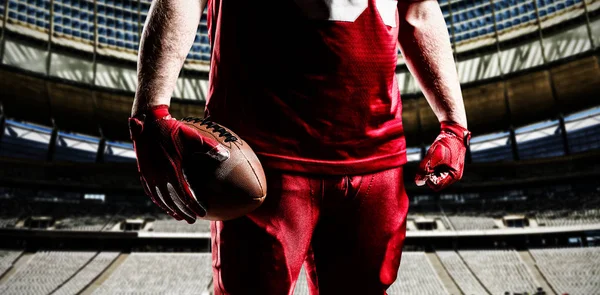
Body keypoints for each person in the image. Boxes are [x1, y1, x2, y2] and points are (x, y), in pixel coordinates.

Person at [129, 0, 471, 294]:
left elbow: (419, 11)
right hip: (264, 156)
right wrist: (150, 111)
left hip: (376, 158)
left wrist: (455, 124)